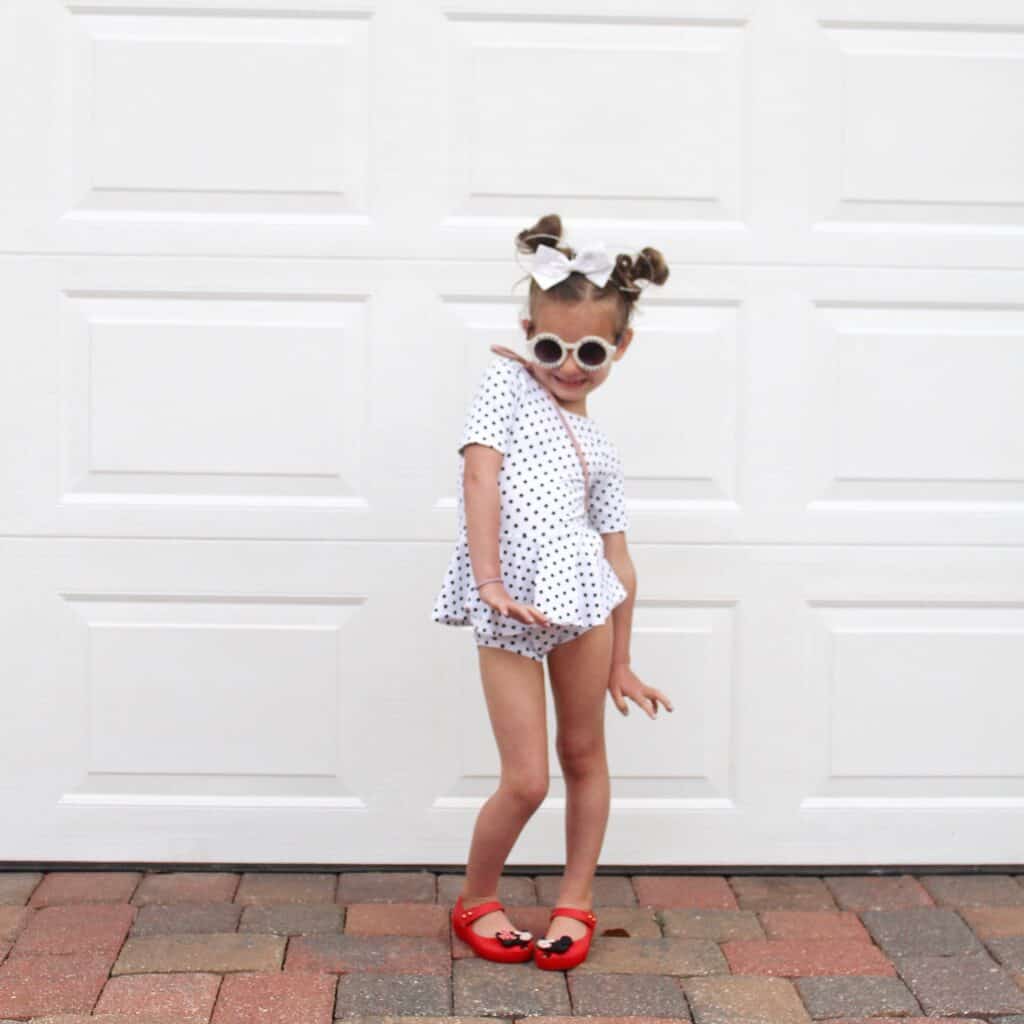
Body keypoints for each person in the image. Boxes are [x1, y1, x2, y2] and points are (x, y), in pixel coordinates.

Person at [431, 213, 675, 970]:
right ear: (525, 332)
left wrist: (623, 659)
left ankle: (576, 900)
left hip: (583, 608)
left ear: (620, 347)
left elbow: (620, 559)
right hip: (509, 605)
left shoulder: (601, 448)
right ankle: (476, 898)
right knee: (527, 778)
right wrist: (491, 583)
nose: (568, 365)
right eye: (551, 346)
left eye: (591, 350)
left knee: (583, 754)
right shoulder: (505, 382)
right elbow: (479, 475)